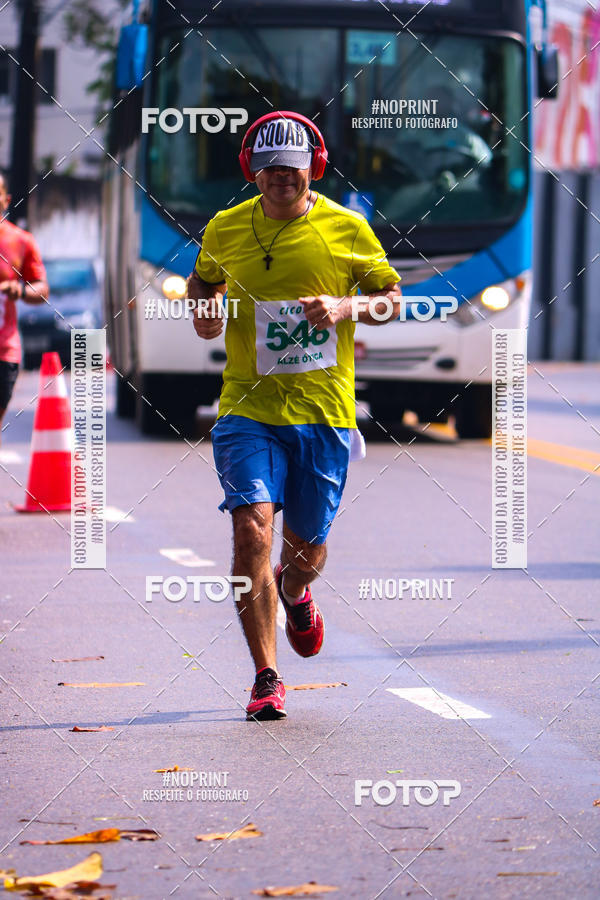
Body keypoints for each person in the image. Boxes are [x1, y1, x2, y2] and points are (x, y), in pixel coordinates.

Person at [188, 111, 401, 721]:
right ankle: (266, 675)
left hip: (323, 414)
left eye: (292, 169)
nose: (281, 179)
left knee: (305, 551)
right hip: (246, 410)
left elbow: (392, 300)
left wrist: (345, 305)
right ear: (252, 172)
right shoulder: (225, 228)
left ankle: (296, 589)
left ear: (314, 169)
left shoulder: (347, 229)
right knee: (250, 527)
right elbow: (199, 285)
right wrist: (201, 312)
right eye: (269, 169)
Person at [0, 173, 49, 443]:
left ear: (5, 200)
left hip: (3, 350)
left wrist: (18, 290)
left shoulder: (21, 241)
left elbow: (42, 289)